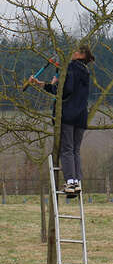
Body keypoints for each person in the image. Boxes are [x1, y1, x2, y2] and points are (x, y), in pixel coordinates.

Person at [29, 45, 95, 196]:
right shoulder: (85, 71)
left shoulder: (71, 67)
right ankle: (77, 181)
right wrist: (46, 84)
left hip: (68, 115)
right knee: (75, 150)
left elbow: (64, 90)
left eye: (75, 51)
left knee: (66, 150)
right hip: (81, 116)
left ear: (80, 54)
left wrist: (53, 85)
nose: (72, 52)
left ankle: (70, 182)